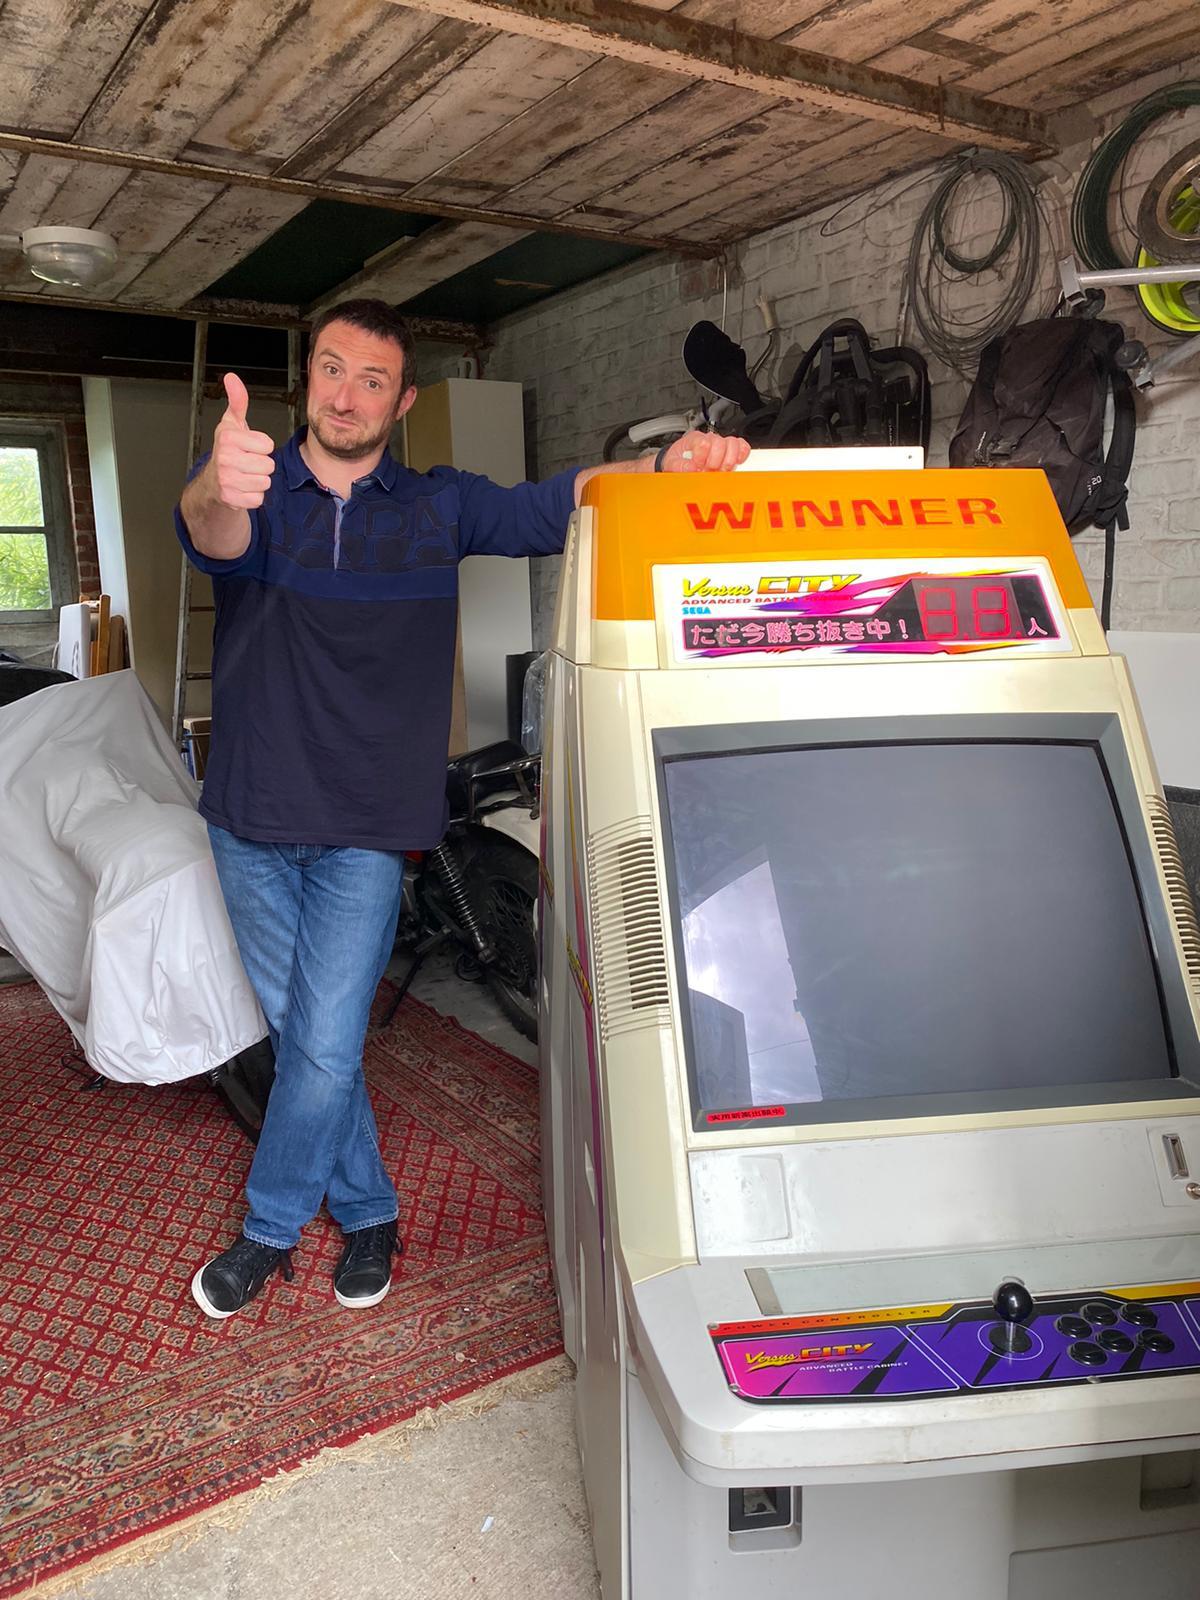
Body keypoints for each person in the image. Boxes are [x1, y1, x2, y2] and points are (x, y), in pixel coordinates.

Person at [176, 297, 749, 1319]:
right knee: (308, 1037)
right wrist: (215, 484)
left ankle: (267, 1229)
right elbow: (210, 529)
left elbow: (555, 501)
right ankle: (370, 1212)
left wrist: (660, 468)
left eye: (372, 380)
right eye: (332, 369)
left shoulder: (436, 506)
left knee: (324, 1044)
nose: (346, 394)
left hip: (364, 829)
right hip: (249, 819)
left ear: (400, 403)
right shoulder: (253, 488)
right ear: (307, 378)